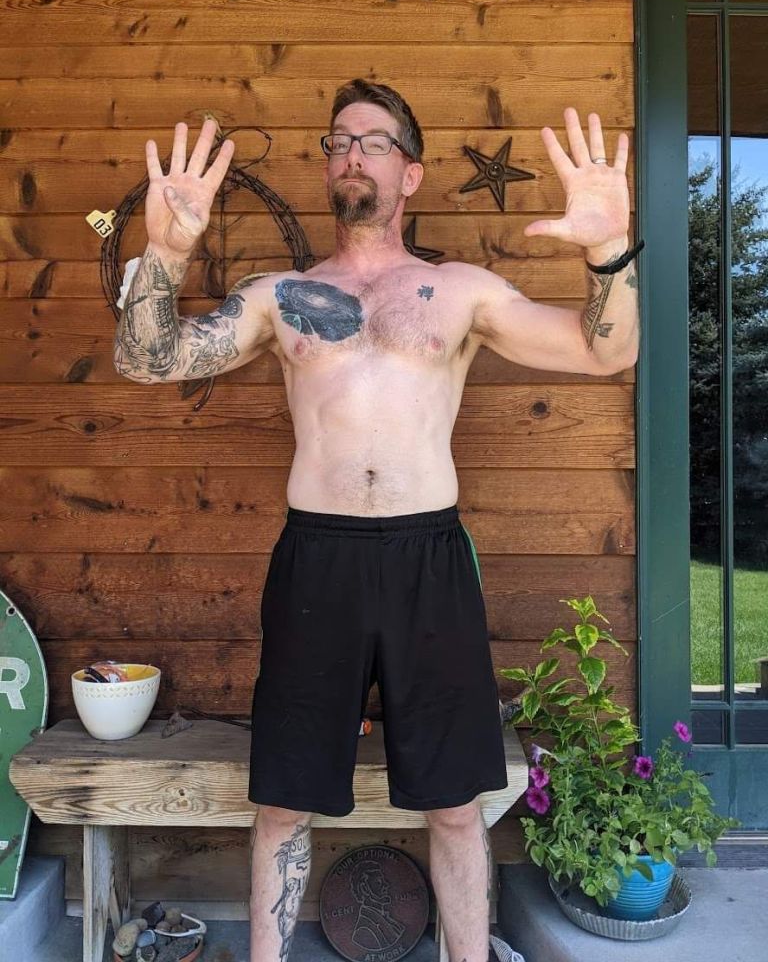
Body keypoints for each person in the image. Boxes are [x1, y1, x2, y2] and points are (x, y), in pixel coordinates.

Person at [113, 79, 639, 962]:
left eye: (374, 142)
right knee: (283, 801)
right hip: (317, 560)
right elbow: (147, 360)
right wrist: (163, 252)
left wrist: (611, 251)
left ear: (412, 174)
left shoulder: (459, 291)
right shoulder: (279, 296)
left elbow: (605, 349)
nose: (352, 154)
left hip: (429, 559)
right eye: (339, 142)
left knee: (455, 805)